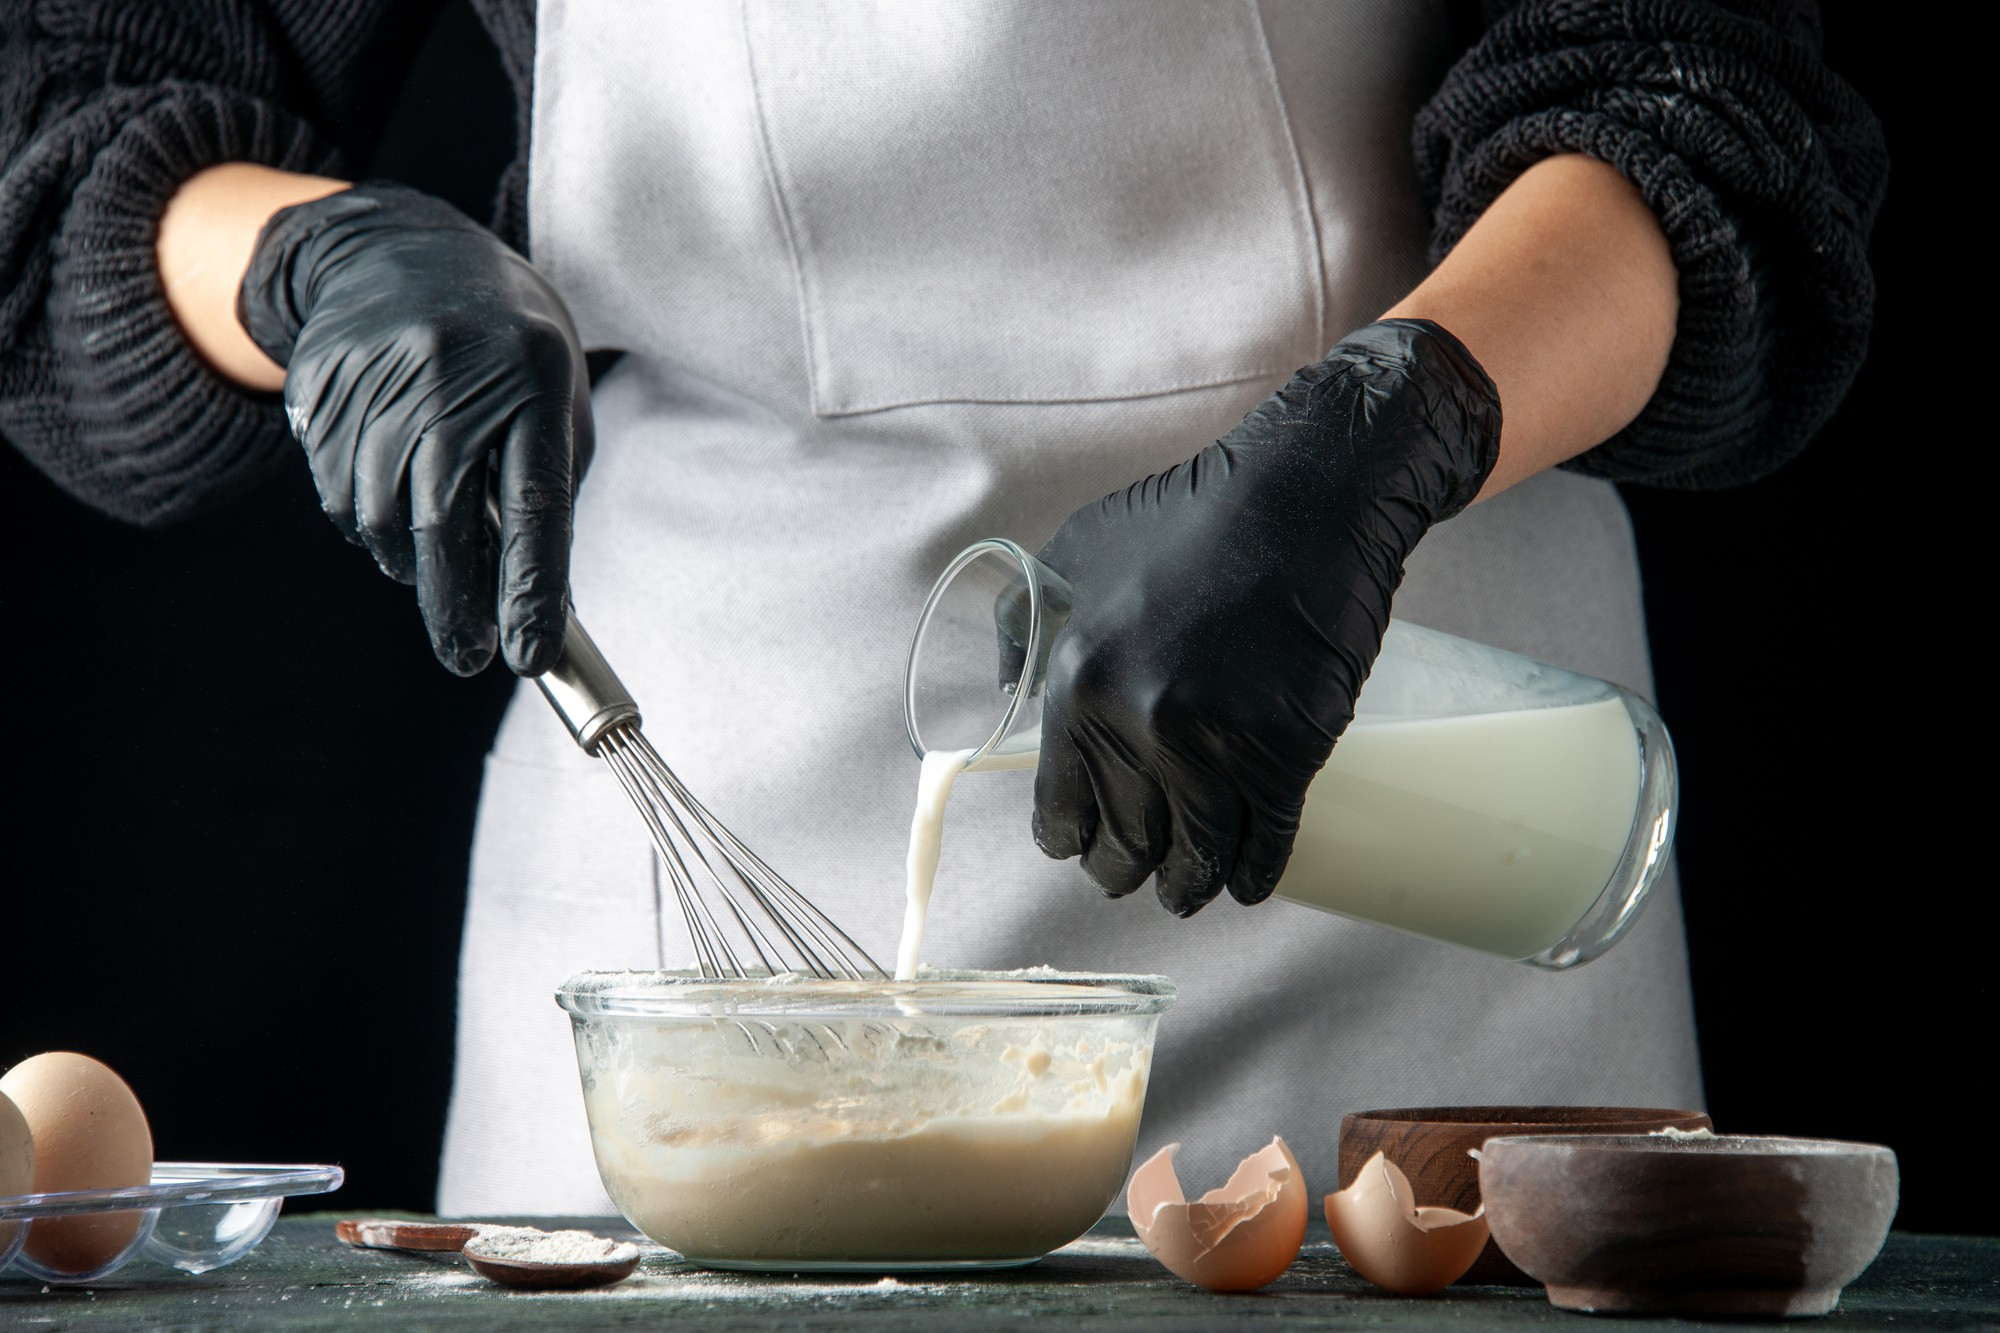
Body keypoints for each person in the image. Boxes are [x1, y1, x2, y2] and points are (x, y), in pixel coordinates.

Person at [0, 1, 1885, 1212]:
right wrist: (298, 265)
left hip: (1397, 785)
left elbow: (1694, 91)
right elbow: (73, 121)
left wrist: (1392, 435)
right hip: (711, 898)